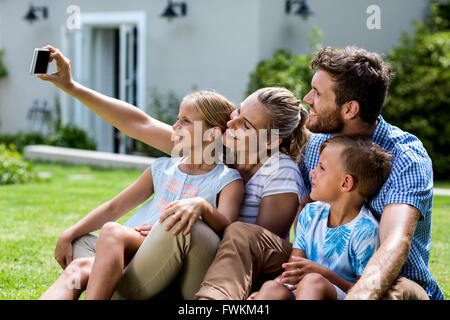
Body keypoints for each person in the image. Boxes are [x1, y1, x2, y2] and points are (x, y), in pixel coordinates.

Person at [36, 45, 309, 299]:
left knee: (173, 225)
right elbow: (139, 124)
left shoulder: (274, 171)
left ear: (270, 141)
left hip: (206, 268)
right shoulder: (211, 148)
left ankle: (110, 277)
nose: (231, 123)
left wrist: (193, 212)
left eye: (245, 124)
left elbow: (250, 250)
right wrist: (70, 87)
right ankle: (105, 276)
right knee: (81, 246)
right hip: (151, 252)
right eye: (236, 113)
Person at [195, 46, 444, 300]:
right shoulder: (316, 146)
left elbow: (395, 242)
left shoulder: (405, 157)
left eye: (317, 93)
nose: (306, 98)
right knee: (243, 234)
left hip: (387, 280)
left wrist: (357, 295)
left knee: (394, 292)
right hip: (317, 274)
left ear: (350, 109)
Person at [39, 90, 244, 300]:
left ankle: (105, 277)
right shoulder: (163, 167)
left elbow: (228, 230)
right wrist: (69, 234)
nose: (175, 126)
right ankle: (107, 275)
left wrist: (203, 206)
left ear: (212, 134)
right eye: (177, 119)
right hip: (129, 251)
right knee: (78, 246)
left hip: (162, 261)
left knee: (109, 235)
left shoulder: (226, 179)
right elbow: (114, 208)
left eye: (186, 121)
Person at [250, 136, 391, 300]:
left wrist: (323, 273)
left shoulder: (366, 231)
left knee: (312, 282)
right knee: (271, 288)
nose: (312, 172)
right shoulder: (310, 213)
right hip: (301, 290)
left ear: (346, 183)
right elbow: (292, 271)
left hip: (341, 294)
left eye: (321, 168)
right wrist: (267, 291)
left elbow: (365, 290)